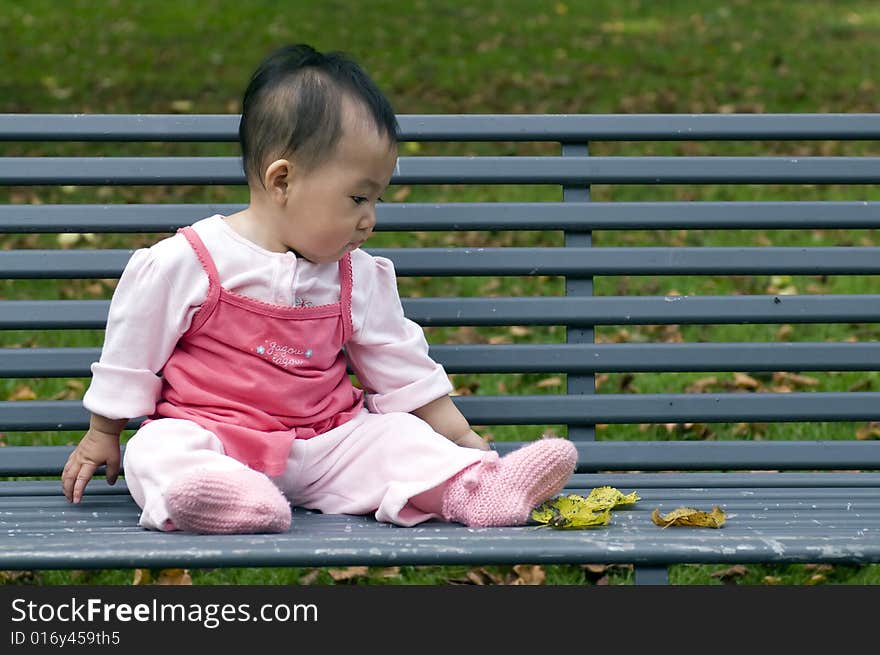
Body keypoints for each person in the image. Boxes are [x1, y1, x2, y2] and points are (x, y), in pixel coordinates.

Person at [61, 43, 577, 534]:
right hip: (213, 436)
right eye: (357, 198)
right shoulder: (190, 261)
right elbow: (132, 354)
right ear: (282, 181)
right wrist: (104, 433)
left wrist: (465, 445)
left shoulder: (357, 277)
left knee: (396, 438)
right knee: (157, 449)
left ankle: (476, 487)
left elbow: (404, 372)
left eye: (375, 201)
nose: (368, 220)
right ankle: (226, 498)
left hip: (328, 443)